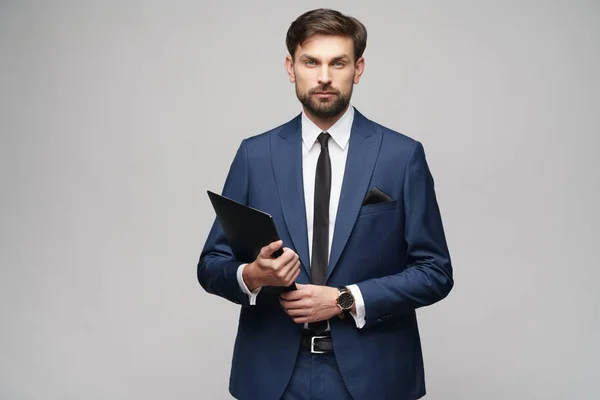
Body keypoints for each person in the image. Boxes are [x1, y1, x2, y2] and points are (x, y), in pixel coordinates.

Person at [197, 8, 453, 400]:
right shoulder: (255, 155)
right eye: (310, 62)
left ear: (358, 68)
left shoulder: (401, 157)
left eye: (338, 63)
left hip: (374, 378)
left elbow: (435, 271)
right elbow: (211, 265)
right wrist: (253, 275)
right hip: (273, 378)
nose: (324, 77)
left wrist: (345, 299)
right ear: (290, 66)